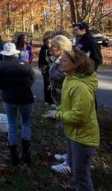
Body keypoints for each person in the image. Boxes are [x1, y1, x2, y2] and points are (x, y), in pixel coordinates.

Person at [49, 48, 99, 191]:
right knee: (77, 172)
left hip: (83, 137)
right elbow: (66, 104)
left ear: (76, 64)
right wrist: (57, 110)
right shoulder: (69, 78)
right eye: (60, 60)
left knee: (81, 175)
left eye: (64, 60)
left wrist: (57, 115)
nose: (60, 63)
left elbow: (79, 116)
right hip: (73, 132)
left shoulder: (80, 87)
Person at [0, 42, 36, 165]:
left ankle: (14, 155)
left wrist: (4, 89)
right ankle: (26, 152)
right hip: (26, 98)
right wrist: (26, 87)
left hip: (9, 98)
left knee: (12, 125)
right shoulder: (26, 65)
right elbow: (33, 78)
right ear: (15, 53)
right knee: (26, 123)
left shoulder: (0, 65)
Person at [48, 35, 73, 172]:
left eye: (54, 46)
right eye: (51, 45)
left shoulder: (68, 62)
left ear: (62, 48)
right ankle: (69, 155)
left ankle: (71, 163)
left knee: (69, 131)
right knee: (66, 130)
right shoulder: (56, 59)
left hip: (67, 102)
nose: (50, 48)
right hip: (59, 101)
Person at [38, 34, 54, 105]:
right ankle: (47, 100)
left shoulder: (56, 49)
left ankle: (53, 100)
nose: (49, 44)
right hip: (46, 69)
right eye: (47, 43)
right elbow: (40, 59)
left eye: (50, 43)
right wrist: (40, 66)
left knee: (53, 85)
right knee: (46, 84)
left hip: (53, 69)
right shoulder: (43, 49)